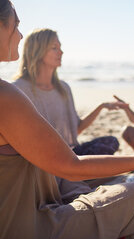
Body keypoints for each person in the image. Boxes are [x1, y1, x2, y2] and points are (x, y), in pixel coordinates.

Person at [0, 0, 134, 239]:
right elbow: (71, 166)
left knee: (86, 178)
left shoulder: (52, 89)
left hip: (41, 186)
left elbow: (66, 153)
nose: (20, 35)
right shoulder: (8, 94)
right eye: (16, 24)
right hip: (25, 226)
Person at [13, 28, 121, 156]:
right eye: (54, 47)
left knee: (111, 142)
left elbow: (77, 129)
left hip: (69, 154)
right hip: (42, 158)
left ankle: (77, 173)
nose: (61, 52)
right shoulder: (19, 89)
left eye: (60, 47)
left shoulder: (63, 88)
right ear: (38, 51)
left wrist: (101, 106)